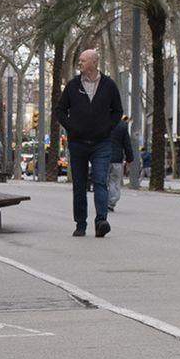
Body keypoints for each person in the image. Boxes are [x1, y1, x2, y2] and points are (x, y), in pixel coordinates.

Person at [52, 47, 125, 237]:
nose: (80, 64)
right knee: (79, 185)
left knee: (100, 181)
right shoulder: (73, 86)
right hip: (77, 143)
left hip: (101, 143)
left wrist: (107, 128)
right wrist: (71, 127)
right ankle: (80, 224)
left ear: (94, 62)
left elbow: (118, 111)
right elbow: (60, 110)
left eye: (83, 61)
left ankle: (101, 221)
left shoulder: (108, 85)